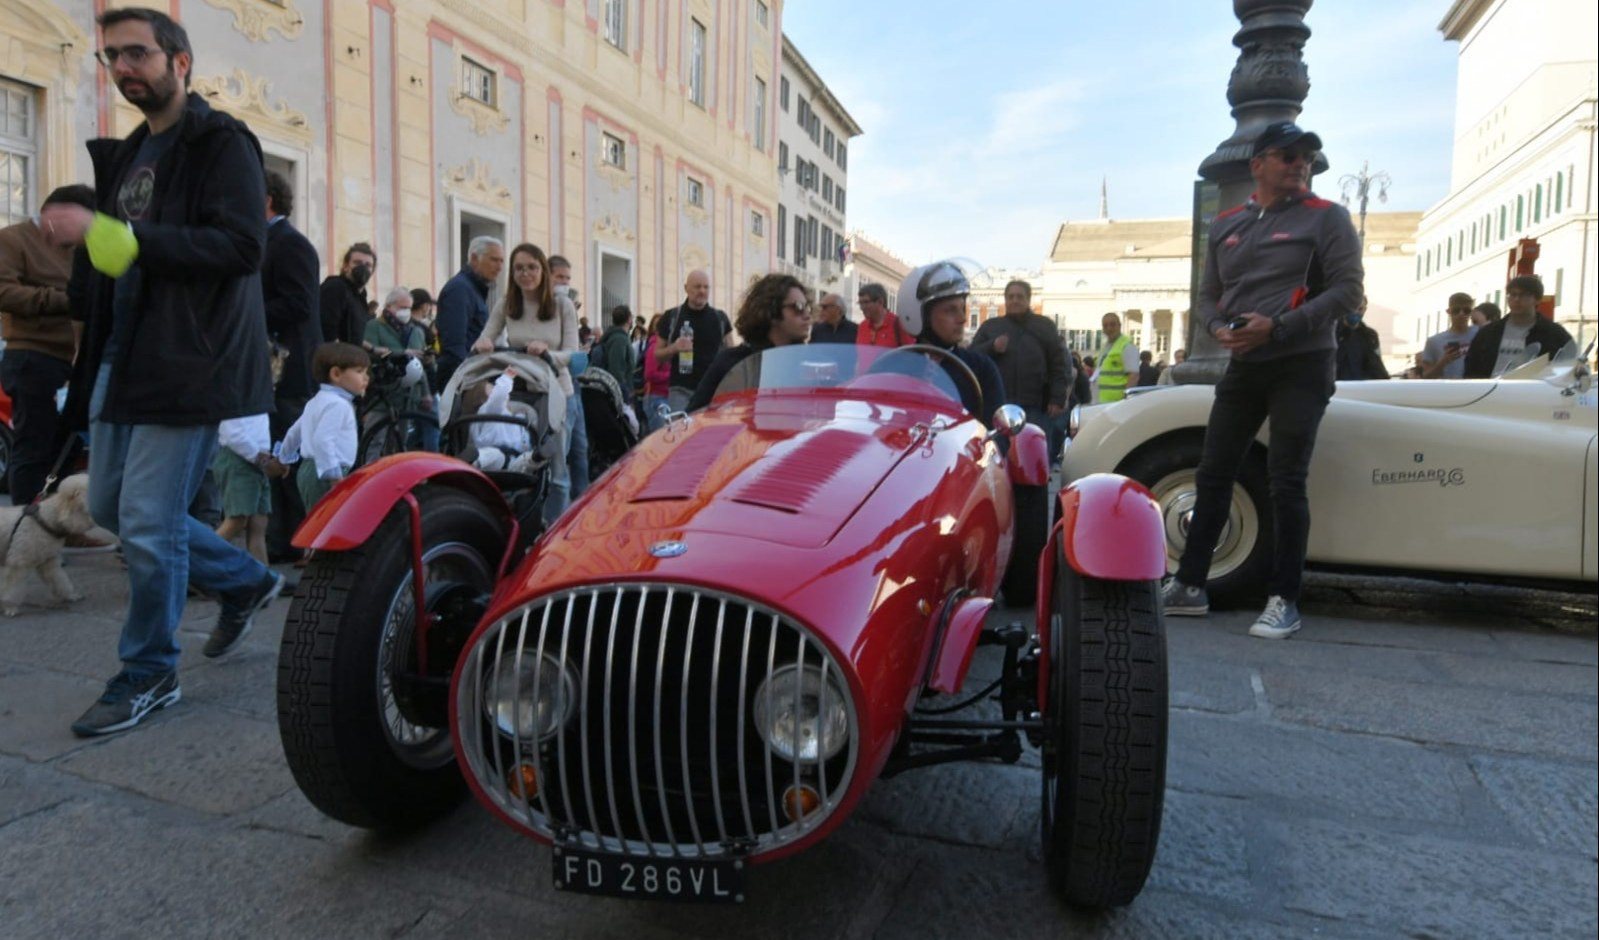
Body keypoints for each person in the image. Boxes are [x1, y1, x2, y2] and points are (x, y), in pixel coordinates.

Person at [44, 7, 285, 735]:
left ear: (180, 62)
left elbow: (241, 248)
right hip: (124, 355)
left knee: (149, 520)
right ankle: (245, 581)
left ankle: (147, 671)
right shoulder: (126, 156)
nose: (124, 68)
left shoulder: (221, 142)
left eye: (138, 54)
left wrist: (116, 234)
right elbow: (119, 259)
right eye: (111, 57)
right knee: (115, 510)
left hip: (192, 356)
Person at [1160, 121, 1363, 641]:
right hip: (1246, 364)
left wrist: (1280, 326)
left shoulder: (1328, 218)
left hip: (1303, 363)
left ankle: (1284, 598)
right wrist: (1216, 329)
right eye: (1288, 155)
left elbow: (1346, 292)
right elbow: (1208, 296)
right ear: (1259, 164)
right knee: (1214, 471)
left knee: (1286, 478)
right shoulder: (1227, 223)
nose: (1300, 163)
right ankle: (1189, 585)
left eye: (1307, 157)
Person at [470, 242, 583, 522]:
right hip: (521, 393)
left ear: (543, 270)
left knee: (557, 470)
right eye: (519, 268)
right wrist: (484, 343)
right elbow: (487, 336)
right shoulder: (507, 303)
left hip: (557, 392)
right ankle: (522, 523)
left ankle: (554, 528)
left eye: (532, 267)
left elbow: (573, 353)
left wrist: (547, 353)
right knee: (519, 462)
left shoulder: (562, 304)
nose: (525, 273)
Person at [1, 185, 91, 505]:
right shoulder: (12, 239)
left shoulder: (78, 247)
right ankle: (25, 528)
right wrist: (66, 301)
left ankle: (57, 526)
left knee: (69, 447)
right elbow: (5, 292)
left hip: (73, 360)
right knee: (33, 445)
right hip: (32, 355)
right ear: (56, 215)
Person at [260, 170, 320, 562]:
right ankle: (279, 541)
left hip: (288, 370)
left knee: (289, 457)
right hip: (267, 370)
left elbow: (298, 304)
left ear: (266, 199)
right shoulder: (266, 241)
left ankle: (296, 541)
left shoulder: (291, 244)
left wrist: (244, 313)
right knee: (273, 456)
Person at [894, 261, 1005, 428]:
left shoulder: (981, 369)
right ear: (922, 316)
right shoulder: (892, 366)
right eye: (951, 310)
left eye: (963, 308)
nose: (963, 318)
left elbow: (996, 437)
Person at [687, 274, 814, 411]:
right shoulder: (732, 362)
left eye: (807, 307)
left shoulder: (810, 364)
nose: (807, 315)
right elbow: (694, 415)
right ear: (771, 312)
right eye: (798, 307)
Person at [969, 278, 1069, 431]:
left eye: (1020, 297)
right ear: (1005, 300)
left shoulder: (1044, 326)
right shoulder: (991, 326)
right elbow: (971, 358)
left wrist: (1057, 399)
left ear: (1028, 300)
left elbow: (1058, 364)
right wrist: (992, 346)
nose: (1015, 300)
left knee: (1034, 449)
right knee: (999, 451)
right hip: (999, 405)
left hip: (1036, 405)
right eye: (1011, 297)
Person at [280, 341, 368, 512]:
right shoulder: (338, 405)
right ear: (336, 374)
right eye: (359, 372)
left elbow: (295, 432)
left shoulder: (317, 400)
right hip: (324, 473)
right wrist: (334, 475)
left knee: (314, 519)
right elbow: (322, 440)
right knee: (324, 523)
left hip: (310, 469)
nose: (366, 378)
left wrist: (283, 457)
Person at [1462, 275, 1573, 378]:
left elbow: (1568, 364)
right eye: (1512, 294)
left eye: (1523, 295)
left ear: (1537, 299)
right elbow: (1471, 367)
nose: (1516, 299)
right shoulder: (1489, 332)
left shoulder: (1553, 333)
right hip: (1490, 393)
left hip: (1531, 394)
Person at [655, 269, 733, 412]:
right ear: (686, 288)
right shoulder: (671, 317)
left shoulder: (720, 319)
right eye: (697, 287)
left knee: (710, 434)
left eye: (706, 287)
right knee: (681, 433)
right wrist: (674, 348)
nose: (702, 291)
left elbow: (731, 356)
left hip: (713, 390)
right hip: (681, 390)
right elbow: (657, 356)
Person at [211, 411, 281, 565]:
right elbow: (232, 435)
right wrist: (263, 460)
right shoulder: (239, 392)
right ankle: (198, 563)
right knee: (237, 520)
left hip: (256, 460)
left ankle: (264, 578)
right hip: (240, 460)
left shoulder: (257, 395)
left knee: (259, 522)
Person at [435, 235, 504, 390]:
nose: (499, 267)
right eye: (494, 260)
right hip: (464, 381)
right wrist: (464, 384)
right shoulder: (460, 289)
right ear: (474, 258)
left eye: (502, 261)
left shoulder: (473, 290)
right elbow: (455, 346)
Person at [363, 286, 427, 422]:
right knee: (376, 439)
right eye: (402, 307)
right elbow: (370, 354)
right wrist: (401, 353)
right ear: (389, 306)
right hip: (382, 395)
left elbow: (420, 364)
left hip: (407, 397)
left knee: (401, 439)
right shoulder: (374, 327)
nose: (406, 312)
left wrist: (425, 393)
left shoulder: (415, 331)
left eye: (409, 308)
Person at [319, 242, 376, 346]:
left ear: (372, 271)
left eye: (368, 265)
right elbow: (327, 330)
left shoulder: (361, 296)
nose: (363, 268)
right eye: (357, 263)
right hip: (334, 358)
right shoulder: (335, 287)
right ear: (346, 266)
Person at [1420, 292, 1478, 380]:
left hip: (1475, 389)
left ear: (1471, 312)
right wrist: (1443, 362)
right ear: (1448, 311)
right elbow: (1425, 377)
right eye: (1456, 310)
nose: (1461, 314)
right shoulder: (1434, 341)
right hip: (1447, 390)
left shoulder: (1480, 333)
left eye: (1466, 311)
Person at [1335, 297, 1389, 381]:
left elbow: (1376, 363)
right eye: (1353, 307)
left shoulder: (1369, 335)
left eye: (1360, 309)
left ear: (1365, 310)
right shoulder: (1333, 333)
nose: (1356, 312)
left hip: (1361, 386)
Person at [591, 304, 636, 398]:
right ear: (629, 320)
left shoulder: (613, 336)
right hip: (618, 391)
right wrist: (623, 392)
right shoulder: (620, 339)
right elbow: (616, 369)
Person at [1096, 313, 1140, 402]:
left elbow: (1133, 376)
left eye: (1112, 324)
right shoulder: (1105, 347)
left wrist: (1125, 399)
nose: (1109, 328)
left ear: (1119, 326)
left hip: (1117, 402)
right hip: (1104, 401)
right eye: (1105, 325)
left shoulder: (1127, 346)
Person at [640, 313, 672, 432]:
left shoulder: (667, 348)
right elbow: (649, 374)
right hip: (657, 398)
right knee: (661, 437)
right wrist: (671, 376)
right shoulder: (654, 348)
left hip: (663, 397)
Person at [855, 281, 913, 347]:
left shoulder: (899, 325)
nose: (862, 307)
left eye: (866, 302)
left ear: (880, 302)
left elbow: (912, 353)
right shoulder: (862, 326)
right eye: (860, 303)